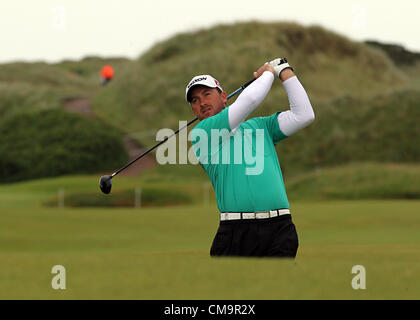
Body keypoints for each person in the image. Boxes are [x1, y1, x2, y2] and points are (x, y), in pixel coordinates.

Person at [186, 58, 315, 258]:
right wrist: (268, 72)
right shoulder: (202, 133)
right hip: (236, 232)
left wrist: (284, 70)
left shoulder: (261, 126)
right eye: (194, 100)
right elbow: (250, 101)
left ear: (224, 97)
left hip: (280, 228)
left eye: (207, 94)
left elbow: (304, 115)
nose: (202, 103)